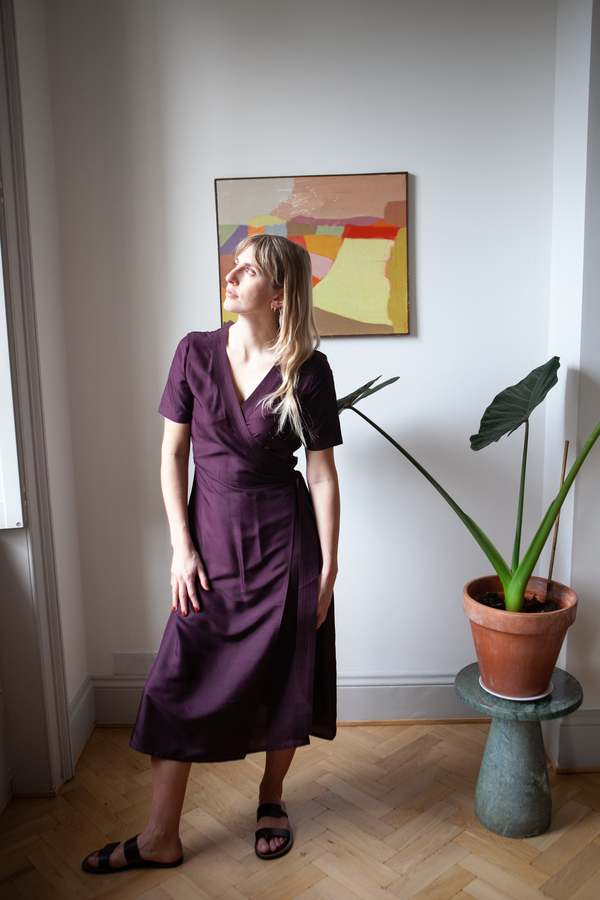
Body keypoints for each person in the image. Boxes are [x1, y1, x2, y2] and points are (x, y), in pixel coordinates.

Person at [81, 234, 343, 874]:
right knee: (174, 681)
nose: (232, 274)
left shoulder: (308, 369)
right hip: (209, 547)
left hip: (285, 549)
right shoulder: (194, 352)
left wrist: (329, 568)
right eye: (235, 264)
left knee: (285, 679)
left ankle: (271, 798)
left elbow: (322, 473)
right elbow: (173, 454)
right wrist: (181, 547)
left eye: (249, 270)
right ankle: (159, 837)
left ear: (278, 294)